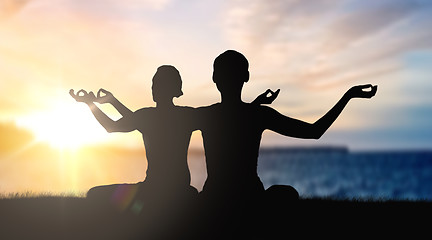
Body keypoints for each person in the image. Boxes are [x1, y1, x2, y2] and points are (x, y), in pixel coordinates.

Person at [70, 65, 278, 214]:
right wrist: (111, 101)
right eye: (154, 83)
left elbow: (115, 125)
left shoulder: (148, 116)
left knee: (95, 195)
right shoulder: (185, 115)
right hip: (180, 191)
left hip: (152, 190)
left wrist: (91, 104)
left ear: (164, 88)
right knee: (97, 194)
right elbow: (230, 114)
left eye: (157, 83)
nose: (153, 87)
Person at [197, 50, 377, 208]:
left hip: (214, 200)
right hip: (250, 198)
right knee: (287, 194)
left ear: (214, 78)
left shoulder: (205, 115)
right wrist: (348, 96)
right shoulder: (258, 115)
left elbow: (232, 121)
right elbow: (315, 131)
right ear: (246, 77)